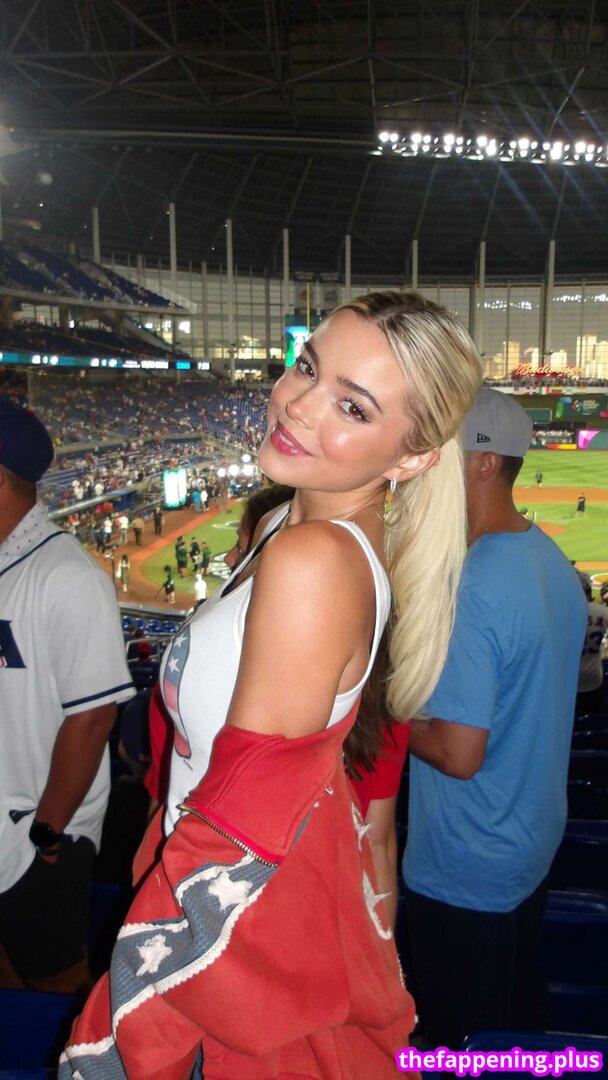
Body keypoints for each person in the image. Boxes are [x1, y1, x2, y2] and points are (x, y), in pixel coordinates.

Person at [60, 290, 482, 1079]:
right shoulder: (295, 528)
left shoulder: (313, 560)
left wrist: (119, 1025)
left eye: (352, 406)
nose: (297, 404)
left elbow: (235, 842)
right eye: (307, 368)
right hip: (228, 943)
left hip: (219, 979)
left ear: (413, 457)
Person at [402, 387, 588, 1051]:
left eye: (442, 452)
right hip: (528, 844)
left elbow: (459, 754)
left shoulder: (474, 582)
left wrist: (386, 716)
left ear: (483, 464)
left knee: (459, 1044)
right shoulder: (552, 562)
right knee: (512, 1028)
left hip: (467, 865)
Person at [0, 398, 135, 994]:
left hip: (36, 832)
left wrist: (47, 835)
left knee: (58, 987)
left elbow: (94, 717)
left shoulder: (68, 576)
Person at [576, 572, 608, 714]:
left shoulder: (560, 612)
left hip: (570, 682)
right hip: (595, 679)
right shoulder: (603, 611)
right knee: (596, 717)